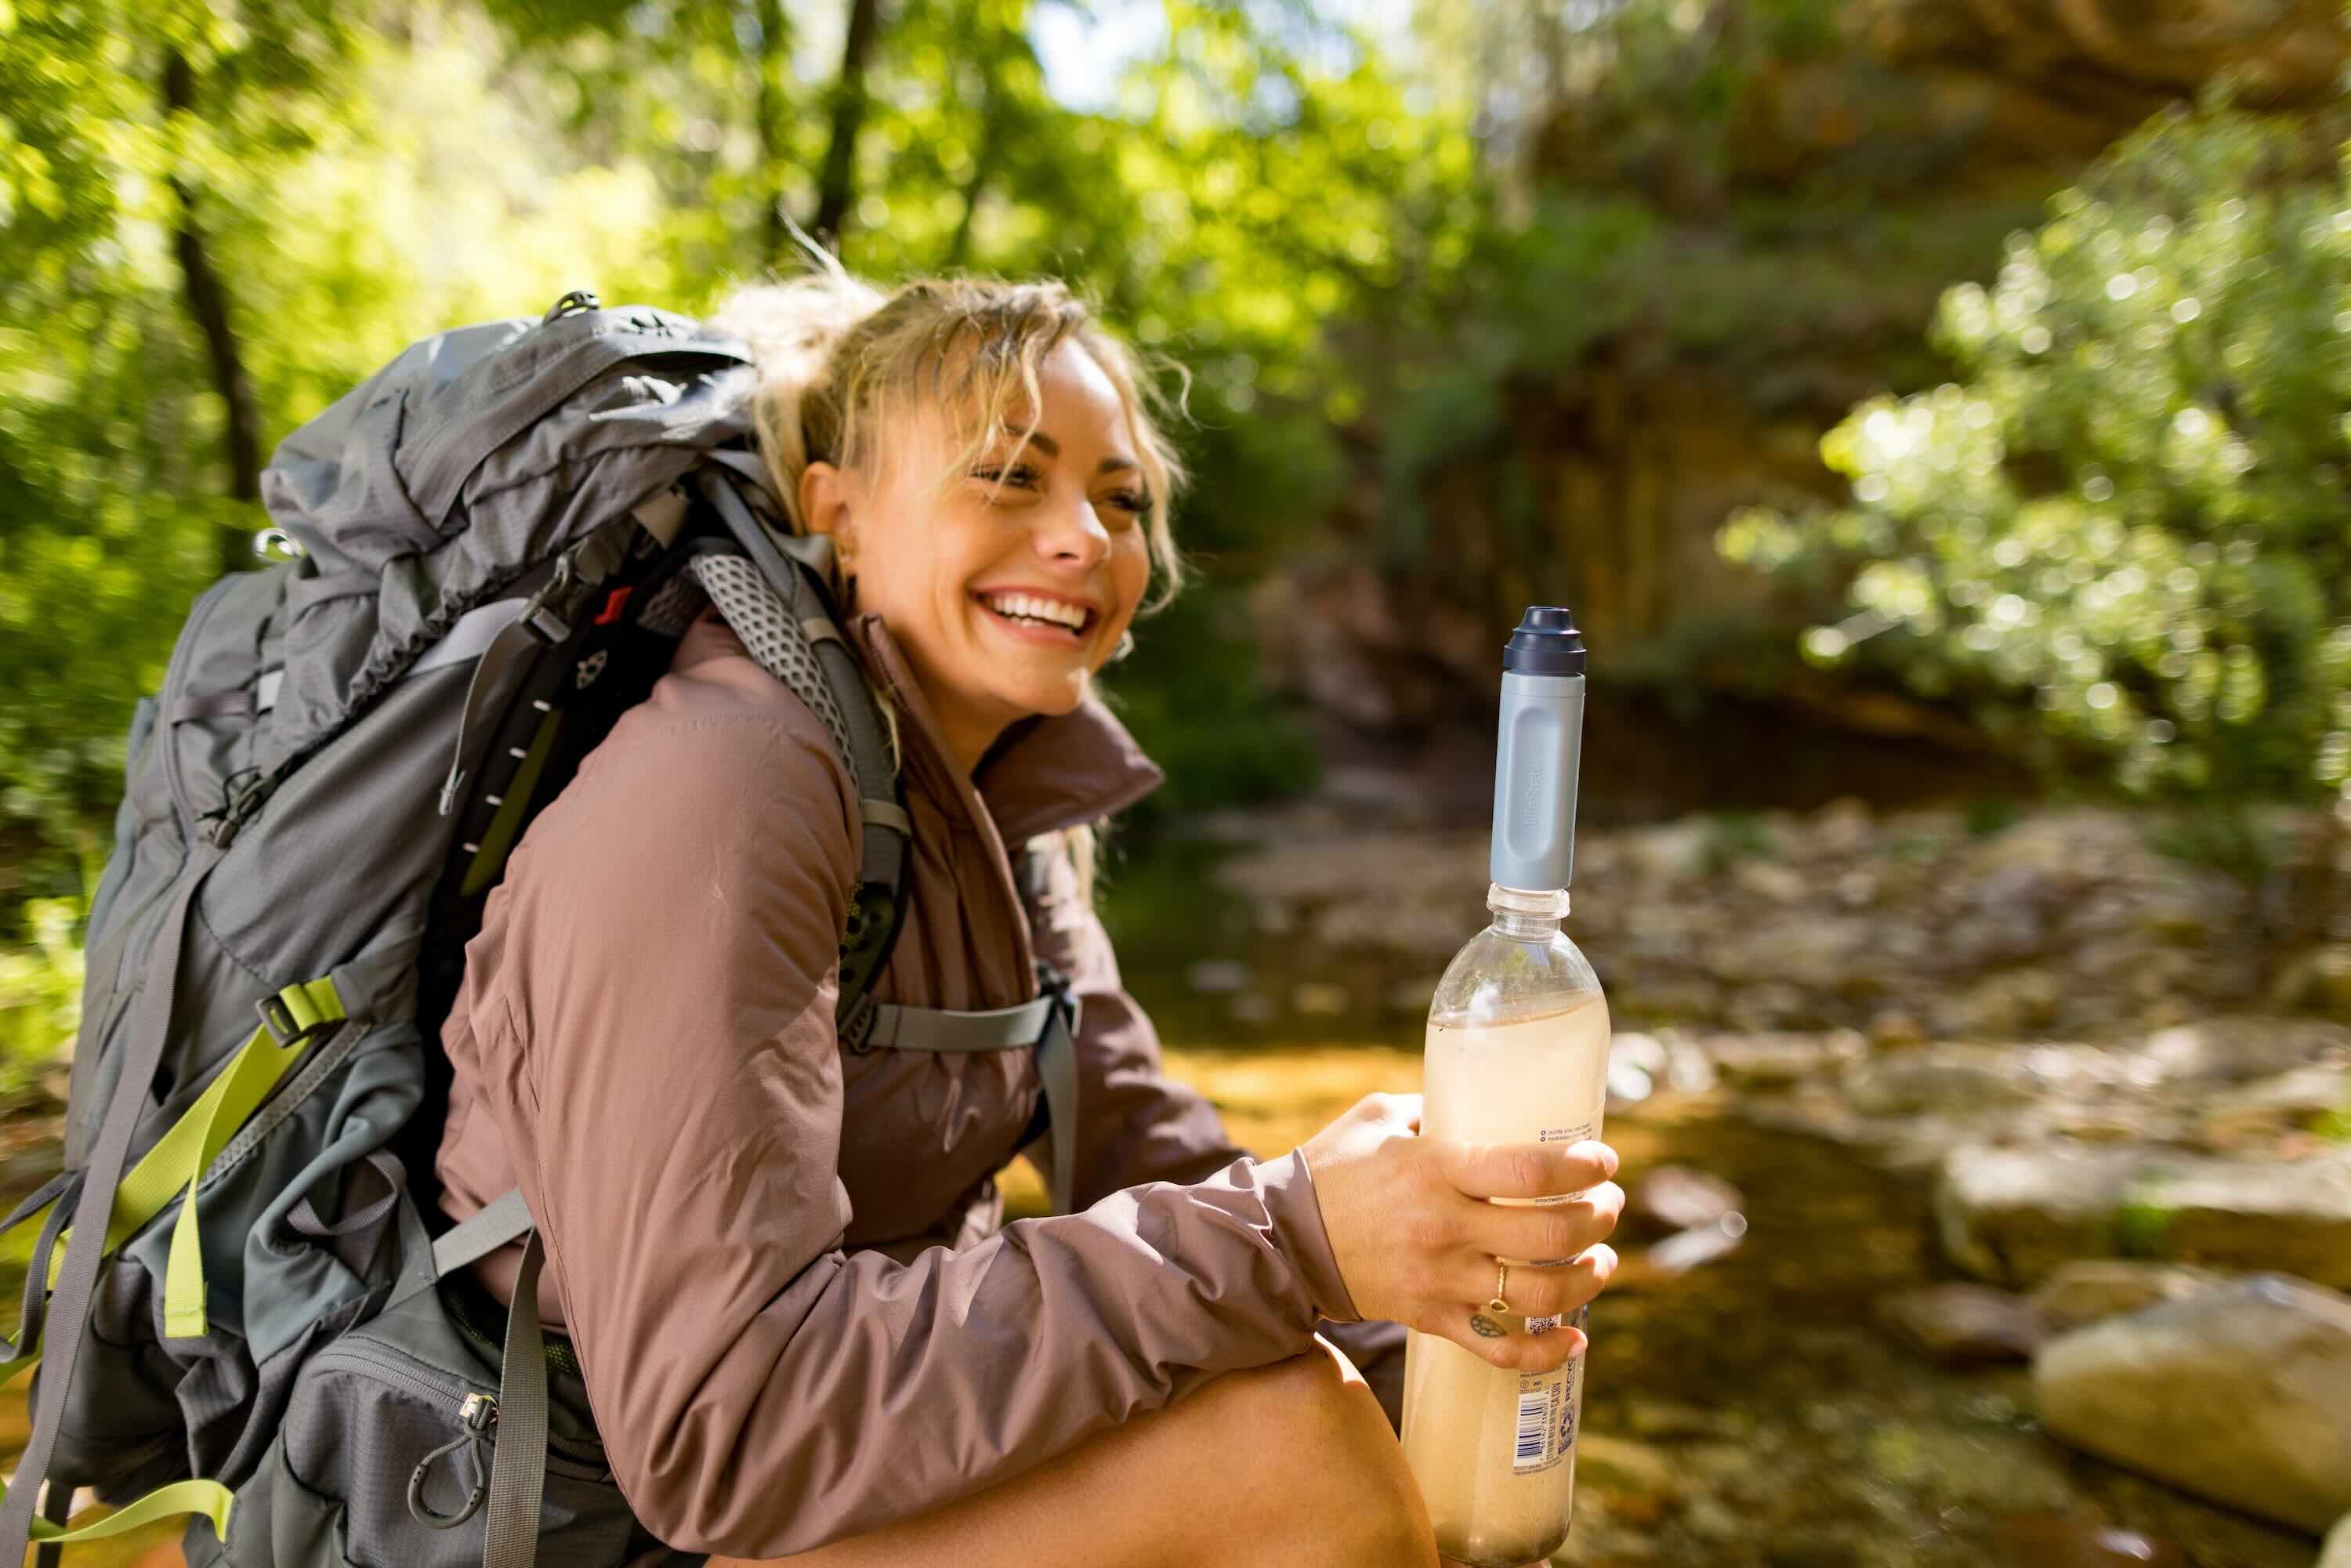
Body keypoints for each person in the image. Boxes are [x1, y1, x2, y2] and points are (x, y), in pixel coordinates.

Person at [429, 263, 1625, 1568]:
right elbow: (730, 1418)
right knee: (1283, 1451)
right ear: (839, 511)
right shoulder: (723, 788)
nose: (1086, 539)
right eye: (1010, 476)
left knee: (1361, 1421)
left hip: (810, 1500)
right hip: (577, 1529)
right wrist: (1298, 1239)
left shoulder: (1001, 813)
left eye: (1121, 500)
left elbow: (1145, 1152)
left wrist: (1430, 1313)